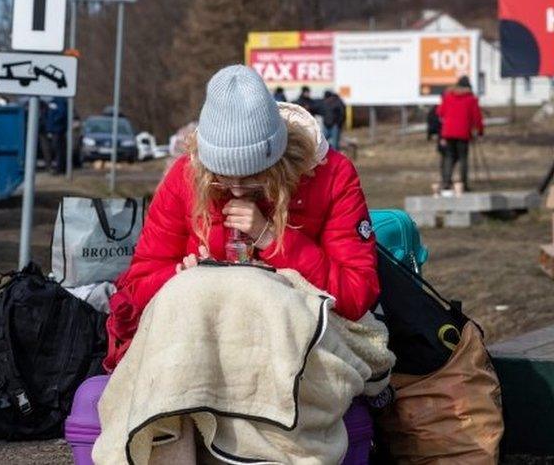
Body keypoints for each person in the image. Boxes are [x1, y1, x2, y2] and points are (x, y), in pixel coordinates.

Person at [105, 65, 379, 372]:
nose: (236, 188)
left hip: (293, 349)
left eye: (252, 177)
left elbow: (357, 293)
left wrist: (272, 238)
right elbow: (136, 287)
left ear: (279, 160)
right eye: (222, 177)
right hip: (200, 344)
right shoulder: (183, 178)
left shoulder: (331, 176)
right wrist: (180, 274)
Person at [436, 75, 484, 194]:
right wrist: (480, 131)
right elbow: (477, 117)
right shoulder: (471, 99)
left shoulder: (448, 97)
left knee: (449, 157)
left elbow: (440, 112)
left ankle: (446, 182)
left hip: (448, 132)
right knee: (463, 159)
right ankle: (463, 184)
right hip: (463, 133)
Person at [44, 96, 69, 174]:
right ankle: (57, 167)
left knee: (58, 148)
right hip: (51, 129)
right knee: (53, 148)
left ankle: (59, 168)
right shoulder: (52, 101)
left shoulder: (60, 101)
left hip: (57, 129)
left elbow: (62, 113)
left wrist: (55, 121)